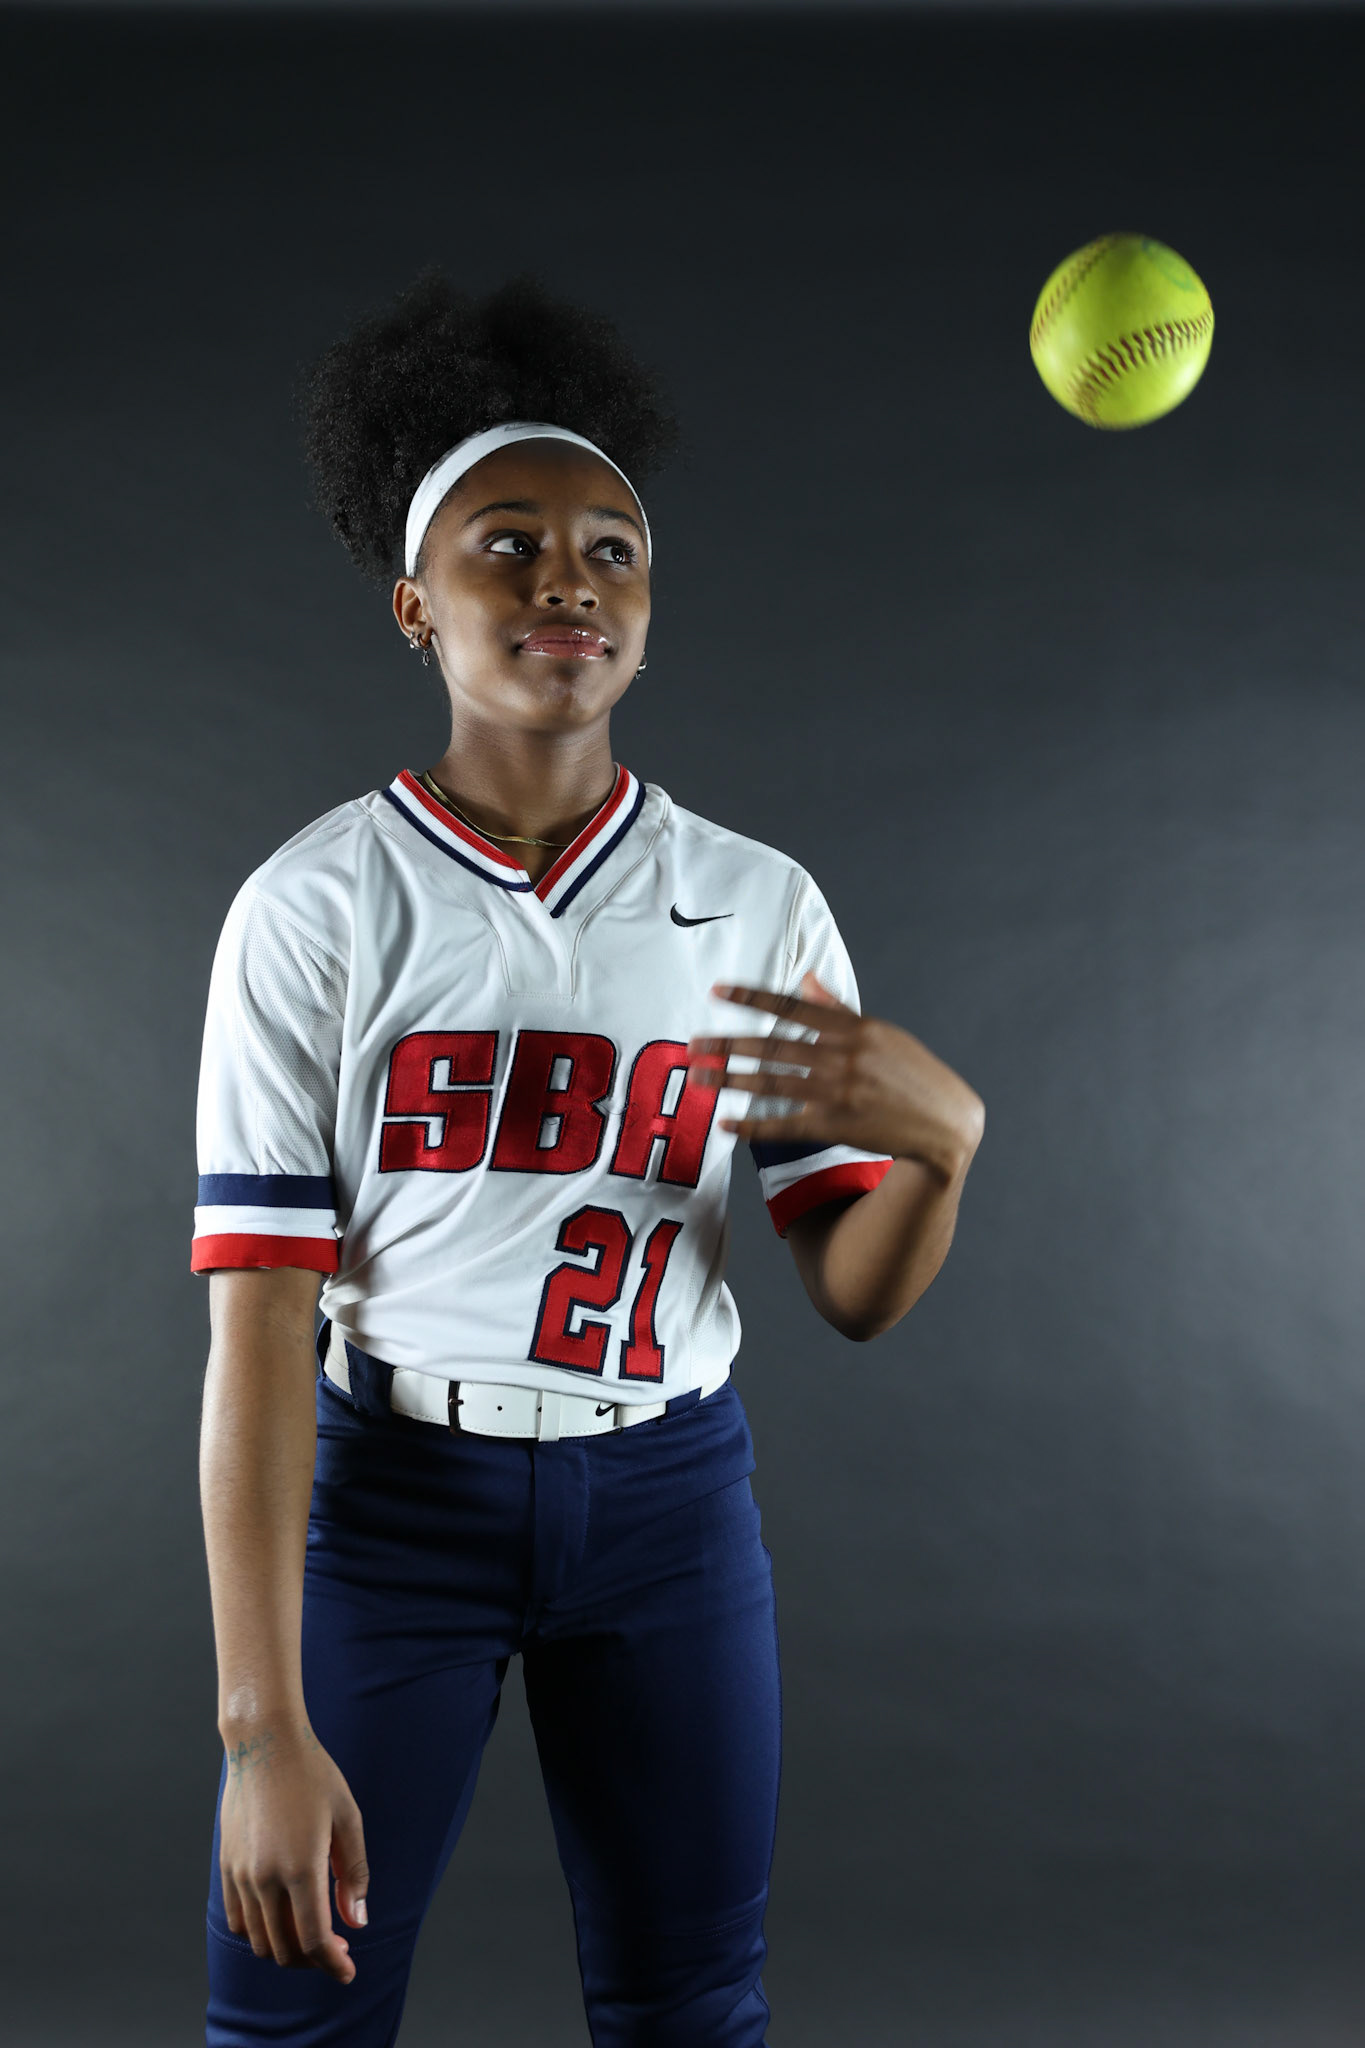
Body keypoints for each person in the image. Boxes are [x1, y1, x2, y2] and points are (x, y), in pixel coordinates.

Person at [194, 272, 985, 2048]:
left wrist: (938, 1155)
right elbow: (256, 1330)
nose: (570, 577)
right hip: (391, 1506)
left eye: (613, 551)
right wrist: (259, 1728)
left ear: (649, 615)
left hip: (666, 1507)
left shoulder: (754, 900)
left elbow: (849, 1296)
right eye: (510, 541)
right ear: (415, 603)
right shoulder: (318, 904)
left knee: (690, 2009)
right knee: (290, 2010)